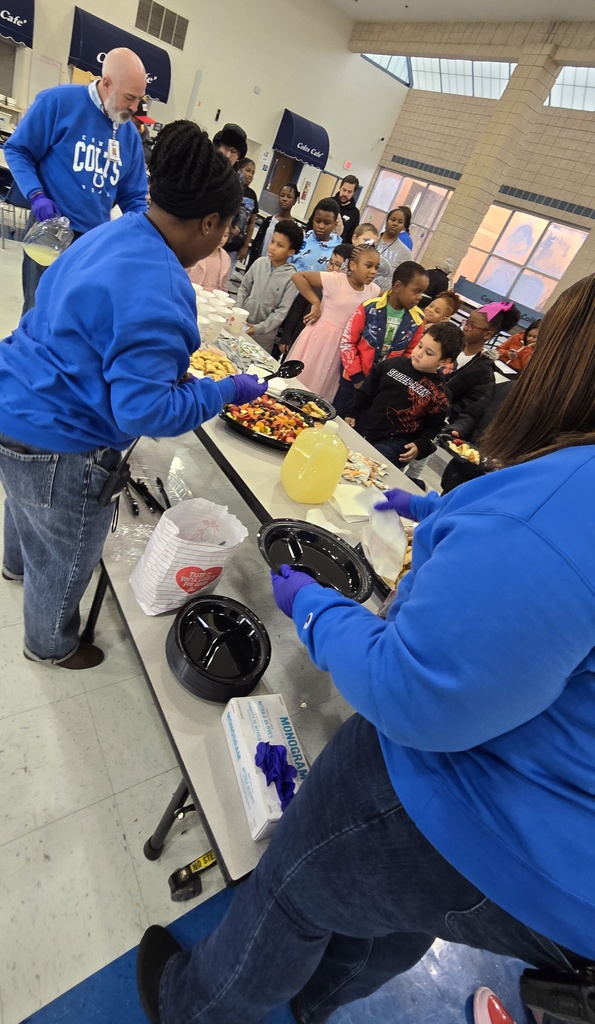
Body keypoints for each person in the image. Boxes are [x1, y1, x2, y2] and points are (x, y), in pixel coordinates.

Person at [138, 273, 595, 1024]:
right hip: (562, 860)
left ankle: (194, 1005)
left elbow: (412, 691)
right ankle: (312, 1002)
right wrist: (450, 512)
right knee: (387, 922)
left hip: (475, 807)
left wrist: (316, 610)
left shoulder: (564, 503)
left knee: (292, 892)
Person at [0, 120, 267, 671]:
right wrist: (223, 390)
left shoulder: (113, 231)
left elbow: (70, 316)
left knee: (27, 510)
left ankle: (13, 566)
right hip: (60, 439)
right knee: (66, 556)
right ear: (210, 222)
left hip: (14, 395)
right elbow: (146, 411)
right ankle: (49, 645)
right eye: (227, 228)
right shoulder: (163, 287)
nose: (225, 239)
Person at [4, 47, 149, 314]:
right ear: (107, 83)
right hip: (50, 230)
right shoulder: (58, 103)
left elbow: (134, 197)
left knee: (74, 316)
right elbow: (18, 150)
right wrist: (36, 195)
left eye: (139, 99)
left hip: (91, 244)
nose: (134, 108)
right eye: (129, 98)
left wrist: (148, 235)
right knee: (38, 311)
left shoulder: (129, 136)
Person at [406, 300, 519, 486]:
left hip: (434, 424)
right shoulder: (447, 347)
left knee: (415, 465)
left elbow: (468, 407)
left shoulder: (484, 372)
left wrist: (436, 407)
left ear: (487, 334)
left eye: (472, 325)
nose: (465, 327)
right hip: (408, 412)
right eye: (466, 321)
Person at [345, 321, 463, 467]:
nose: (419, 353)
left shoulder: (440, 394)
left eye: (429, 353)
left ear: (444, 361)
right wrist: (352, 412)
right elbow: (367, 391)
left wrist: (421, 445)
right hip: (368, 426)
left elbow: (435, 427)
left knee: (366, 465)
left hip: (397, 442)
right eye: (420, 346)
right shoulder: (394, 364)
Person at [335, 261, 429, 417]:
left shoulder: (418, 320)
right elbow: (348, 342)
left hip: (381, 389)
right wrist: (357, 377)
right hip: (352, 381)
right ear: (398, 286)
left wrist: (390, 382)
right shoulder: (369, 308)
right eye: (416, 291)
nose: (420, 297)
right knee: (338, 419)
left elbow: (409, 354)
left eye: (422, 292)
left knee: (363, 426)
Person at [289, 244, 381, 400]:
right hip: (319, 340)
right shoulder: (335, 279)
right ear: (353, 265)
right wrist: (315, 302)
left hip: (344, 347)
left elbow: (391, 298)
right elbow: (298, 277)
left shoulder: (373, 291)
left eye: (376, 267)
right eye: (368, 266)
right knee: (303, 380)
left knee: (323, 390)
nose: (373, 271)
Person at [236, 220, 304, 353]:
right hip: (241, 325)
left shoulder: (292, 277)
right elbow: (244, 288)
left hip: (263, 338)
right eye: (272, 241)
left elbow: (281, 312)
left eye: (279, 245)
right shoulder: (259, 263)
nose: (272, 247)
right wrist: (238, 311)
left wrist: (258, 328)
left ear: (290, 251)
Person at [277, 242, 353, 357]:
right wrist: (286, 337)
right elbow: (296, 311)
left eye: (337, 265)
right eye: (330, 262)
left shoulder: (345, 297)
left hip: (322, 348)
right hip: (298, 339)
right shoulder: (314, 285)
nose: (331, 267)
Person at [246, 183, 299, 269]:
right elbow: (256, 245)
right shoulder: (268, 221)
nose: (284, 199)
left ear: (295, 201)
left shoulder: (294, 228)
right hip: (260, 266)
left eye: (289, 197)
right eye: (282, 195)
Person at [225, 157, 259, 274]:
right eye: (247, 170)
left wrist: (245, 246)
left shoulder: (252, 195)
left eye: (253, 173)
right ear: (238, 170)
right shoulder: (230, 187)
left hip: (235, 247)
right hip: (220, 242)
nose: (250, 175)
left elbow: (251, 222)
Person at [290, 197, 342, 273]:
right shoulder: (302, 239)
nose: (321, 226)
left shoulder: (337, 252)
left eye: (327, 223)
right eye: (317, 221)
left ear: (335, 224)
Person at [404, 290, 461, 356]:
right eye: (431, 306)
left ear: (443, 319)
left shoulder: (434, 336)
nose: (430, 310)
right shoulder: (413, 317)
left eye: (437, 311)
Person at [375, 208, 413, 291]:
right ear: (386, 221)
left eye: (400, 222)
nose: (395, 224)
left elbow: (407, 279)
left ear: (403, 227)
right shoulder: (373, 239)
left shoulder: (405, 252)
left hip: (382, 294)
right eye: (392, 220)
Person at [187, 226, 231, 292]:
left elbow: (224, 283)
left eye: (225, 236)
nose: (221, 239)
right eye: (218, 234)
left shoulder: (226, 258)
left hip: (214, 294)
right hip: (193, 291)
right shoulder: (195, 252)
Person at [332, 174, 360, 243]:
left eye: (349, 192)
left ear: (354, 193)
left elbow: (351, 238)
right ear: (340, 188)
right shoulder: (327, 203)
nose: (345, 194)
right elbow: (312, 223)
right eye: (344, 190)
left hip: (339, 248)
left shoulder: (355, 213)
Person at [132, 97, 156, 166]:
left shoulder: (143, 129)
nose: (139, 130)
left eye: (142, 123)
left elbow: (147, 154)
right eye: (137, 124)